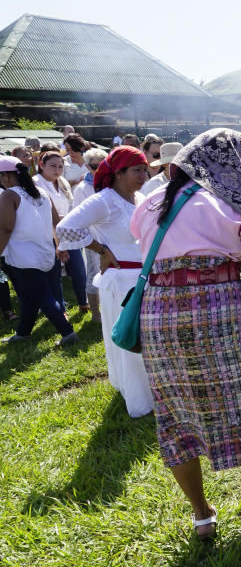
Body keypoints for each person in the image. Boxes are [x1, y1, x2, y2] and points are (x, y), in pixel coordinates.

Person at [130, 127, 241, 538]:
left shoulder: (154, 200)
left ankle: (202, 516)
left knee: (175, 410)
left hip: (159, 314)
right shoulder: (235, 203)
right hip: (218, 312)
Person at [56, 147, 152, 417]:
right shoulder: (104, 200)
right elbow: (66, 227)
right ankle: (138, 399)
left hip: (144, 278)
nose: (143, 175)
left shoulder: (140, 197)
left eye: (145, 170)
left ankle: (152, 390)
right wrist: (100, 249)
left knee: (148, 340)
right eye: (137, 170)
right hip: (121, 281)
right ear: (118, 172)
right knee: (130, 341)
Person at [0, 156, 79, 346]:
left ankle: (68, 333)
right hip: (46, 253)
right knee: (29, 297)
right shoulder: (42, 192)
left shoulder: (9, 195)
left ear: (5, 176)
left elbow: (5, 228)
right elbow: (56, 222)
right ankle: (23, 332)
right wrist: (59, 245)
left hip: (23, 256)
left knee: (43, 297)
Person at [34, 151, 87, 313]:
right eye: (53, 166)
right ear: (41, 165)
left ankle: (83, 302)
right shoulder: (35, 182)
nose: (57, 170)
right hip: (48, 234)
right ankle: (60, 308)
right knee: (54, 273)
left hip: (68, 230)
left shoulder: (62, 181)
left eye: (60, 167)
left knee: (78, 269)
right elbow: (37, 211)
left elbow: (71, 205)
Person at [74, 148, 107, 323]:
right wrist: (89, 241)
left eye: (103, 164)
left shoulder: (110, 182)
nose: (99, 168)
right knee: (95, 274)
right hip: (93, 239)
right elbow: (78, 218)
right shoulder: (83, 188)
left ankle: (110, 309)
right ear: (87, 167)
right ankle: (96, 314)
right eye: (95, 166)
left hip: (109, 237)